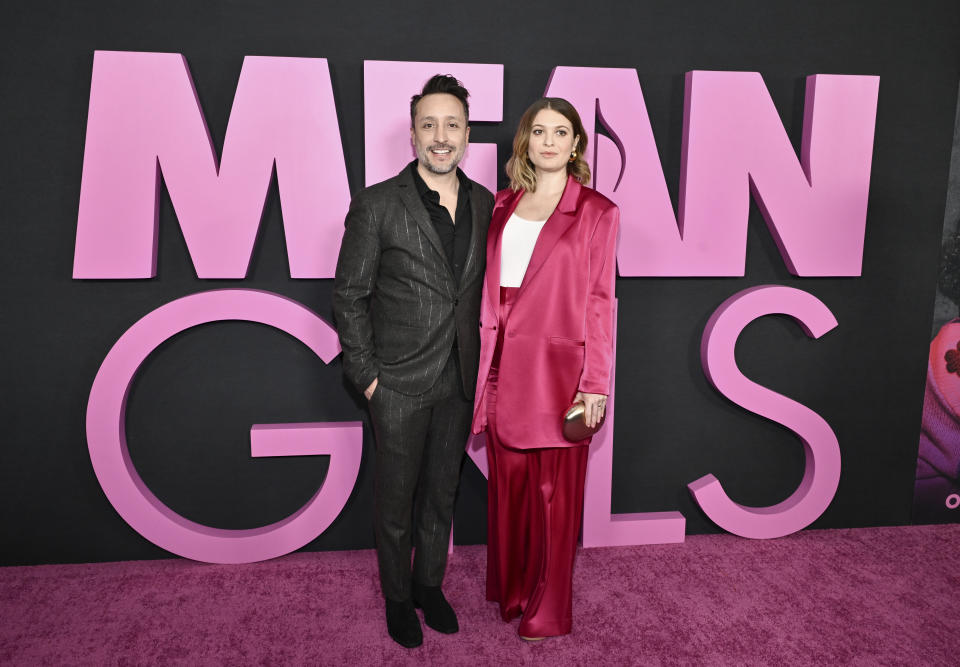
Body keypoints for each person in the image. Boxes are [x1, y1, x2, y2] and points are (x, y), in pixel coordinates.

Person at [333, 74, 494, 648]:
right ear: (413, 135)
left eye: (452, 124)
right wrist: (367, 377)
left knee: (441, 495)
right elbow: (350, 295)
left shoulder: (486, 203)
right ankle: (398, 599)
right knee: (396, 500)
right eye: (429, 125)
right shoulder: (377, 203)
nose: (440, 136)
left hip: (459, 378)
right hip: (396, 384)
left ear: (467, 134)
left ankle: (430, 587)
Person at [472, 97, 619, 639]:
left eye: (561, 132)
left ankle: (551, 608)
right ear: (525, 141)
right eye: (539, 131)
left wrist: (596, 385)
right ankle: (513, 591)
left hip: (558, 371)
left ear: (577, 143)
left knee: (553, 498)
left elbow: (601, 300)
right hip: (498, 362)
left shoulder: (598, 212)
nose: (550, 141)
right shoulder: (501, 204)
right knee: (507, 485)